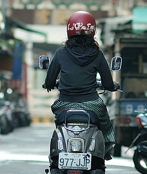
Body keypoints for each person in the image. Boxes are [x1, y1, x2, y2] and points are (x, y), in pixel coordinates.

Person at [42, 11, 119, 159]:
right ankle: (106, 150)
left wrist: (49, 84)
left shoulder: (60, 53)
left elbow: (50, 81)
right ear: (92, 30)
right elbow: (108, 83)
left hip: (65, 104)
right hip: (92, 104)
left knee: (59, 123)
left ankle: (59, 148)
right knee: (106, 122)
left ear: (70, 29)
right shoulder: (97, 54)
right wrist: (112, 86)